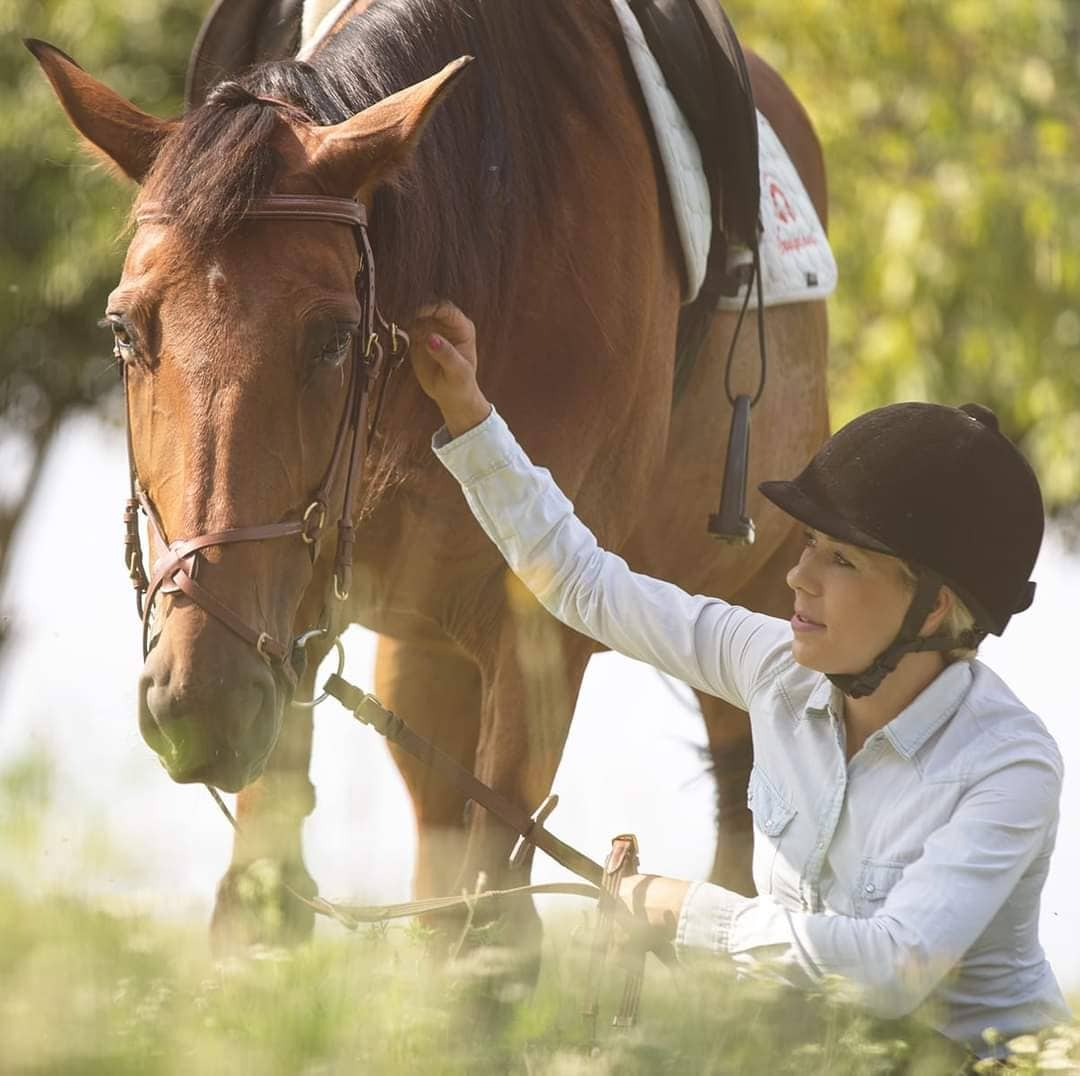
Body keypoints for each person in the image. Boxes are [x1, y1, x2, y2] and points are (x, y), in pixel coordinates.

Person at [408, 300, 1070, 1063]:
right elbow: (587, 585)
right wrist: (469, 415)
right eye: (811, 545)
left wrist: (683, 912)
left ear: (935, 607)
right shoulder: (773, 666)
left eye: (840, 560)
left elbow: (892, 971)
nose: (798, 575)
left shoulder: (1010, 766)